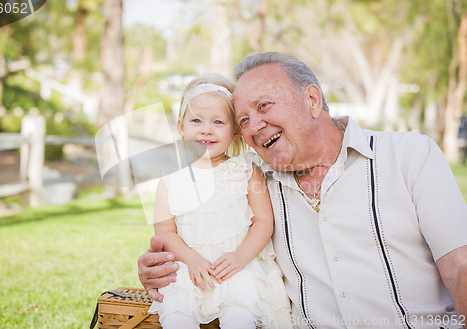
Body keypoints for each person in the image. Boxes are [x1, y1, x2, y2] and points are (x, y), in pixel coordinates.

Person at [139, 52, 467, 328]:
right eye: (242, 120)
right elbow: (189, 231)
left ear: (311, 100)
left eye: (264, 106)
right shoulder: (251, 181)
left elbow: (460, 266)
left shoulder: (409, 154)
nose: (253, 127)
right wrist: (159, 267)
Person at [147, 74, 292, 329]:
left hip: (237, 267)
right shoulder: (170, 179)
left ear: (235, 131)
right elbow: (165, 231)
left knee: (240, 316)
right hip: (189, 268)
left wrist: (240, 256)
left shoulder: (244, 170)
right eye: (196, 121)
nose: (206, 129)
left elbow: (263, 221)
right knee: (177, 317)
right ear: (181, 126)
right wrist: (191, 260)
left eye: (218, 122)